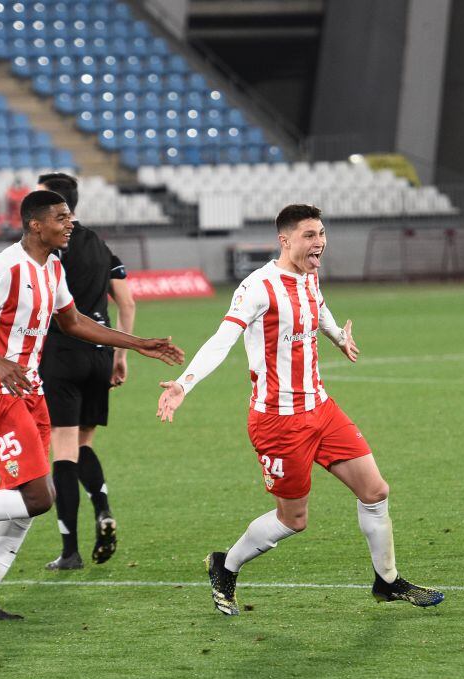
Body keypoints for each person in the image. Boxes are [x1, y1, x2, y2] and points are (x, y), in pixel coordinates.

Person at [0, 190, 184, 621]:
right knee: (37, 498)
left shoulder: (52, 266)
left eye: (69, 217)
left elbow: (72, 322)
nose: (70, 224)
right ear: (36, 224)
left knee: (23, 499)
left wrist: (137, 343)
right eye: (61, 217)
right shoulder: (3, 266)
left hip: (32, 393)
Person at [156, 203, 444, 616]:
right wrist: (184, 384)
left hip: (321, 408)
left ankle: (387, 581)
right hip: (279, 420)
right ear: (285, 239)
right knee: (293, 519)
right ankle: (226, 564)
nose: (320, 243)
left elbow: (317, 304)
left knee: (375, 490)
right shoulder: (258, 287)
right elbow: (222, 339)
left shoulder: (309, 275)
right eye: (310, 235)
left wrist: (335, 337)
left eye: (322, 234)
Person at [37, 172, 135, 570]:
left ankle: (70, 551)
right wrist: (121, 354)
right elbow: (126, 303)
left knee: (62, 450)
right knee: (84, 445)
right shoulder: (101, 245)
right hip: (101, 352)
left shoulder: (48, 244)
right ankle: (103, 507)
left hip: (61, 352)